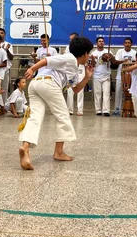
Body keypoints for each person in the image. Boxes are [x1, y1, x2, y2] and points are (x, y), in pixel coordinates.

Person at [18, 37, 94, 171]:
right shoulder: (70, 58)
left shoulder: (75, 69)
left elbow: (75, 89)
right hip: (48, 83)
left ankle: (25, 147)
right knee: (63, 116)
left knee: (35, 117)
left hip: (36, 85)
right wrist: (32, 68)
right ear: (86, 53)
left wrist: (87, 77)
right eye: (89, 53)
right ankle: (58, 152)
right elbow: (47, 60)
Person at [112, 38, 137, 116]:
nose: (127, 44)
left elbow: (136, 62)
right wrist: (124, 61)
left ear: (131, 44)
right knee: (118, 92)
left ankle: (133, 109)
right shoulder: (120, 51)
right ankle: (117, 109)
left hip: (131, 76)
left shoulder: (134, 52)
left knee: (131, 93)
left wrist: (130, 62)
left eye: (129, 43)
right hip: (120, 75)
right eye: (125, 43)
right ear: (123, 44)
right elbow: (116, 62)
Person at [90, 37, 114, 116]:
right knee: (97, 93)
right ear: (96, 43)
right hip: (97, 75)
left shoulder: (108, 51)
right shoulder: (93, 53)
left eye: (102, 41)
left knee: (106, 93)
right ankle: (98, 110)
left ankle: (106, 110)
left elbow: (113, 62)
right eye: (99, 41)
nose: (101, 42)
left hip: (106, 75)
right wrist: (93, 59)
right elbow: (92, 65)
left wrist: (110, 58)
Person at [65, 33, 85, 116]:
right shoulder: (67, 48)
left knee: (80, 90)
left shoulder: (83, 47)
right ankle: (70, 110)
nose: (71, 41)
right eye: (70, 39)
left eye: (72, 39)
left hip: (80, 69)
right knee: (70, 90)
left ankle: (80, 110)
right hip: (71, 70)